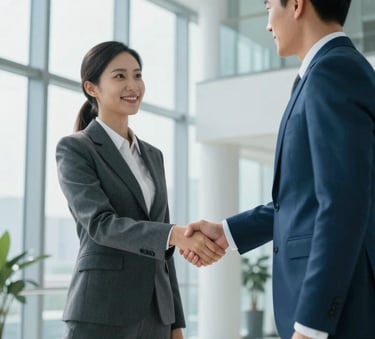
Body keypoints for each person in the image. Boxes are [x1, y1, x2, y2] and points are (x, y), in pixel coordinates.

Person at [183, 0, 375, 338]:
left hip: (339, 315)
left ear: (297, 5)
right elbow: (303, 200)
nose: (268, 24)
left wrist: (312, 326)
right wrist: (226, 232)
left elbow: (343, 204)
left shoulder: (333, 72)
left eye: (269, 5)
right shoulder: (321, 74)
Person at [56, 41, 225, 339]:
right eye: (119, 76)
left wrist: (176, 323)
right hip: (101, 311)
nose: (133, 85)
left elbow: (165, 249)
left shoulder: (152, 155)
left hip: (157, 316)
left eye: (137, 75)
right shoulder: (75, 148)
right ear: (91, 88)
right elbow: (101, 224)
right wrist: (175, 234)